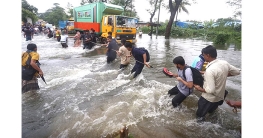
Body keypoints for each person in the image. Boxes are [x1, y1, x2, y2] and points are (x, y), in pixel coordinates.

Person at [193, 45, 241, 122]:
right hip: (219, 97)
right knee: (212, 113)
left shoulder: (210, 70)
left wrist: (200, 89)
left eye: (204, 55)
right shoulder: (224, 63)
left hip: (208, 99)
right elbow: (237, 72)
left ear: (208, 55)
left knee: (199, 117)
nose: (203, 57)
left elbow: (210, 90)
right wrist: (224, 74)